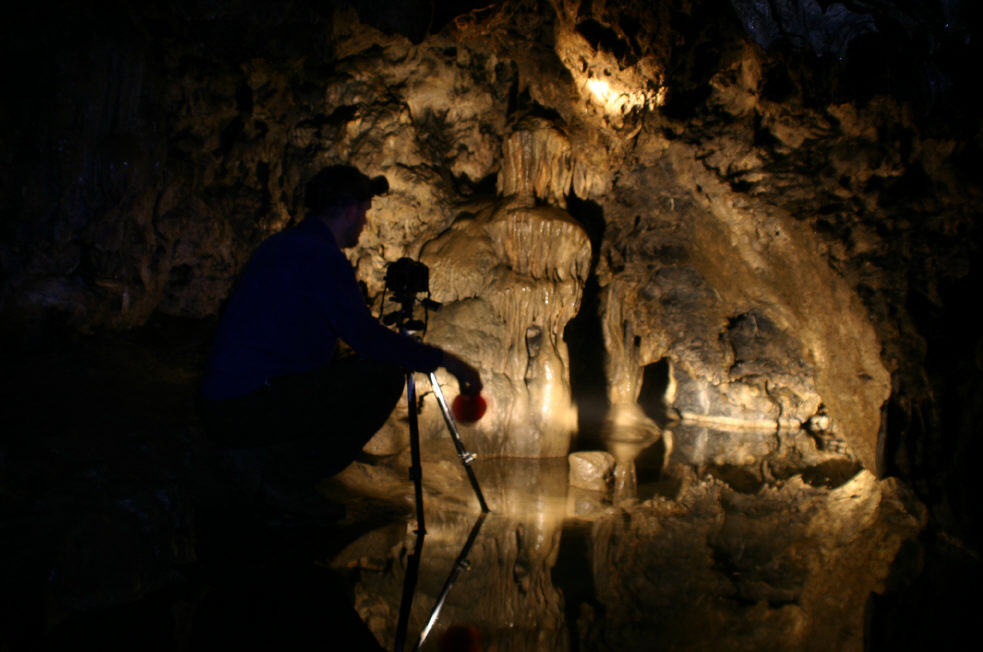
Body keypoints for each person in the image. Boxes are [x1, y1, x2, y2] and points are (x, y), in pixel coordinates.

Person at [196, 164, 482, 498]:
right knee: (384, 375)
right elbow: (368, 340)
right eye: (364, 212)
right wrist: (448, 362)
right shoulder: (322, 259)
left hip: (226, 401)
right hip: (246, 408)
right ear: (349, 211)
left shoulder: (282, 244)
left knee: (345, 372)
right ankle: (287, 480)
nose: (364, 223)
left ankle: (277, 467)